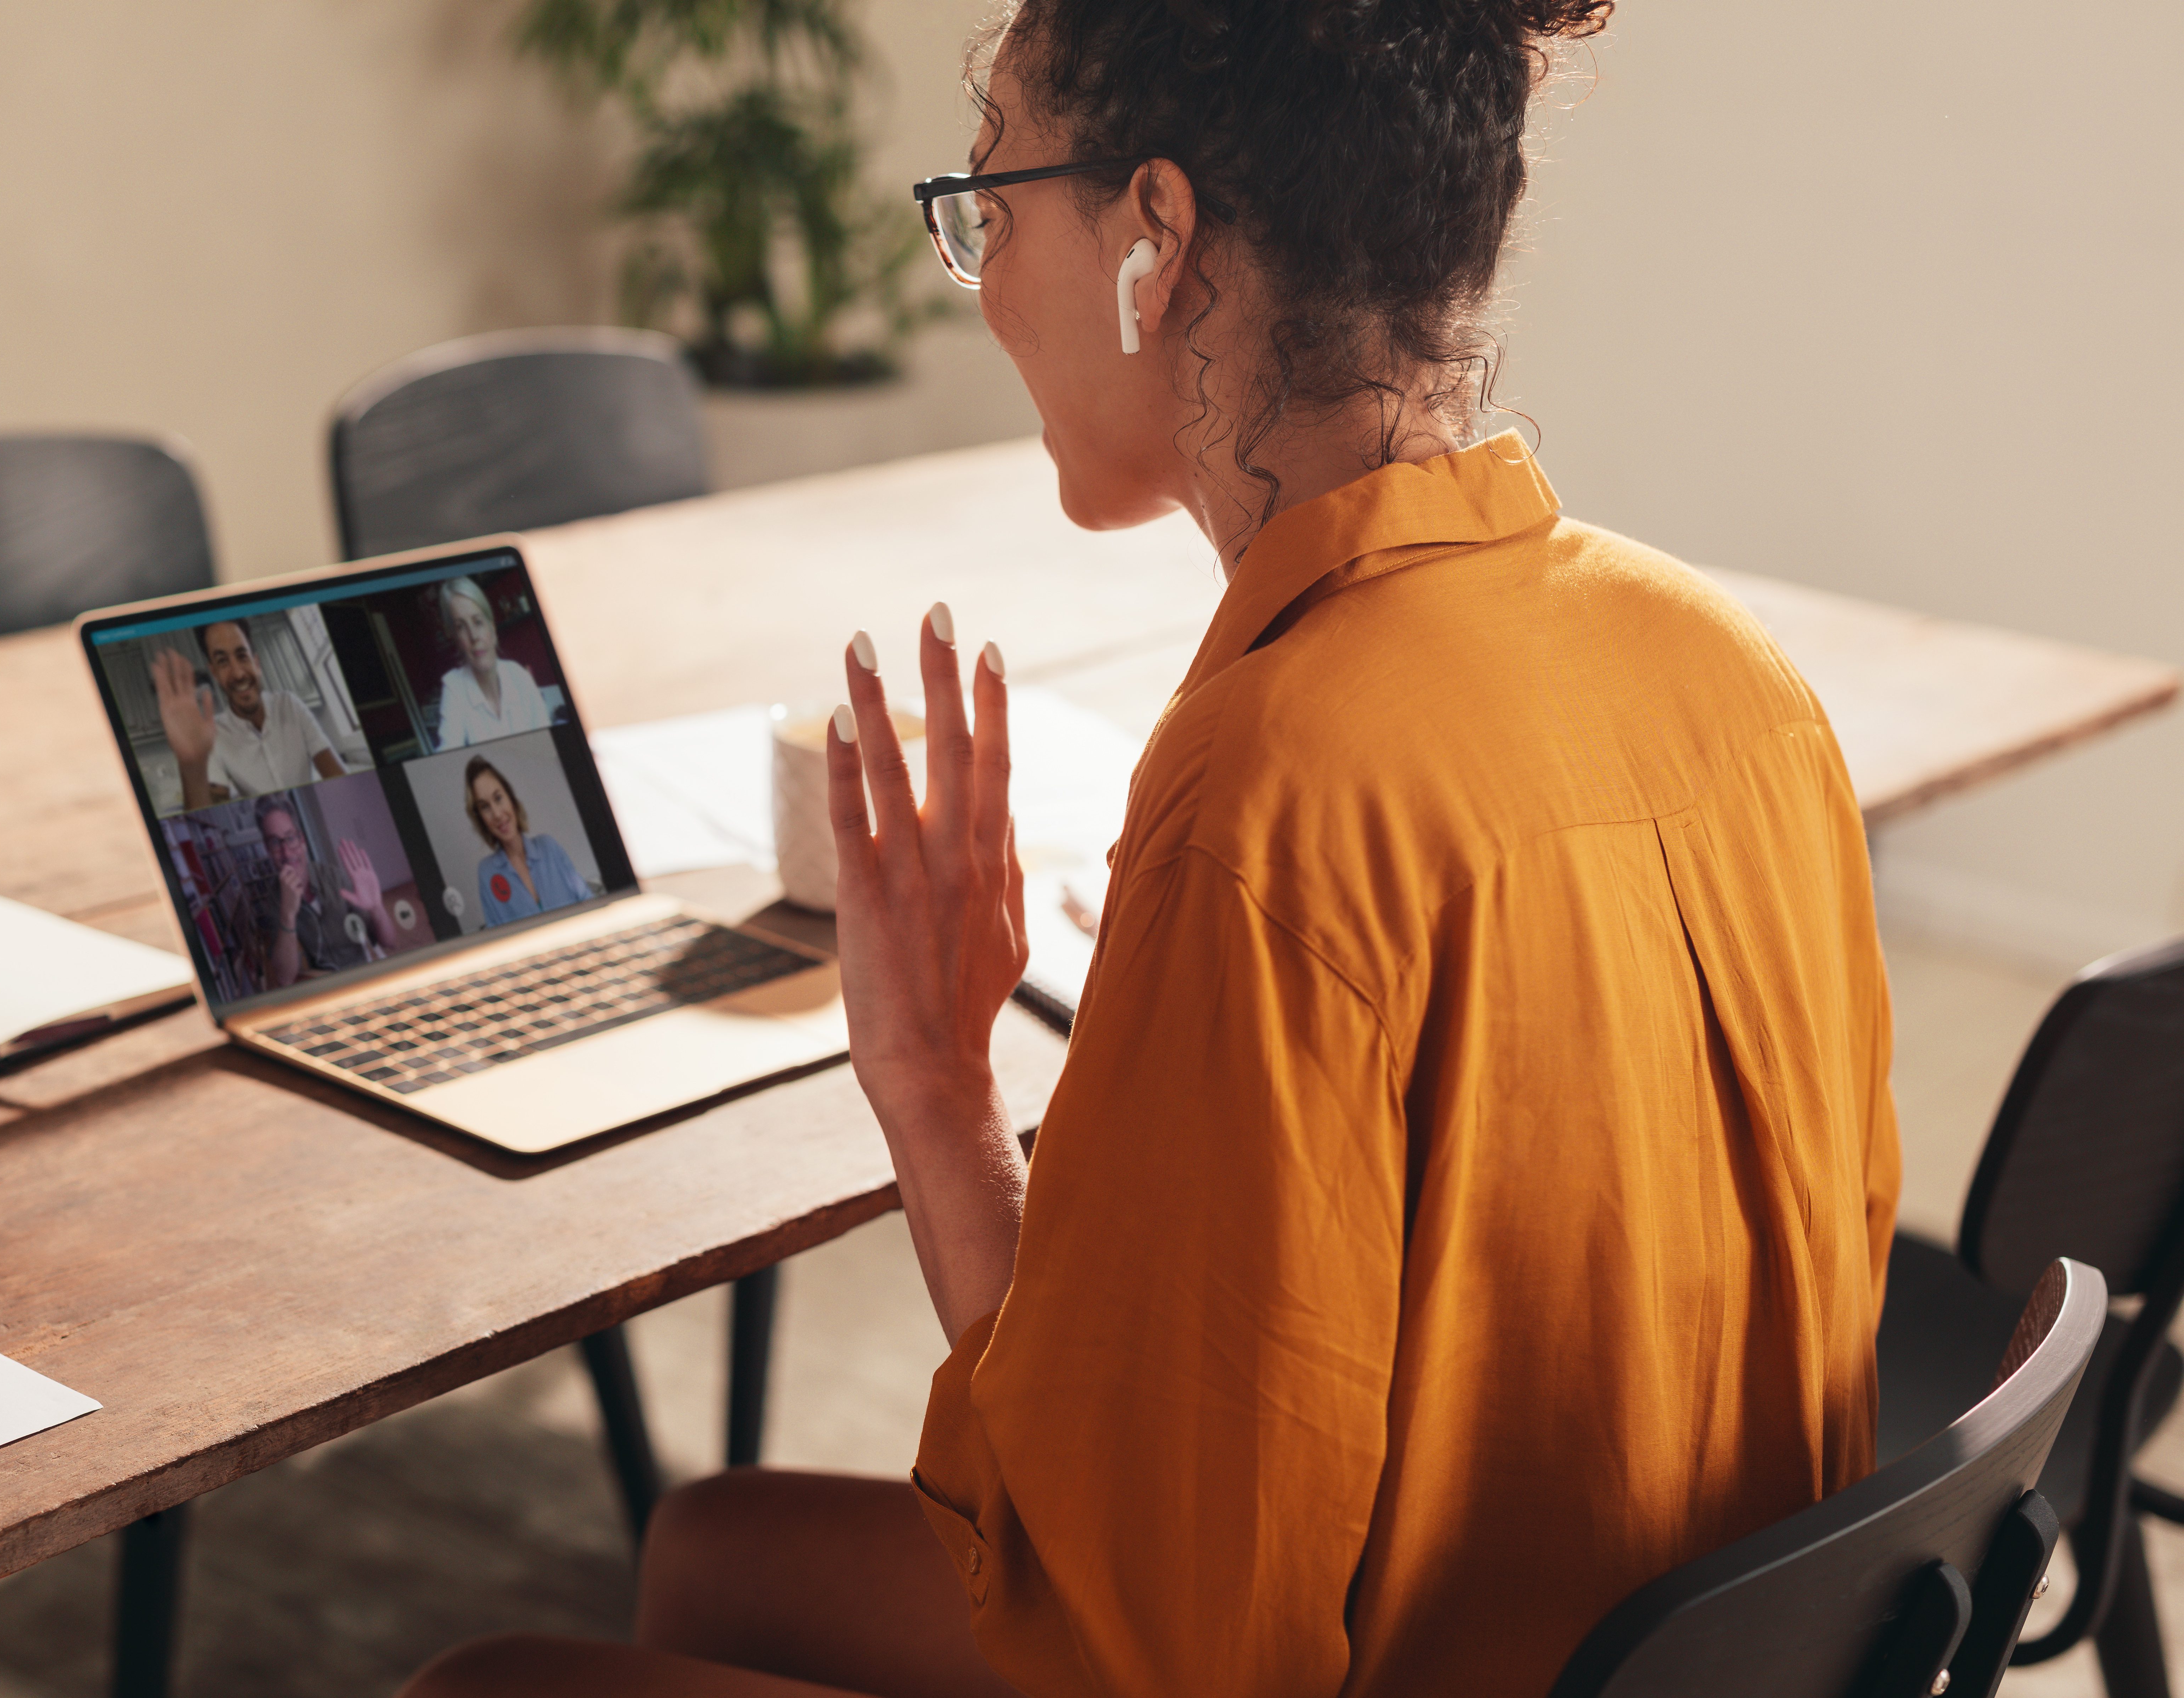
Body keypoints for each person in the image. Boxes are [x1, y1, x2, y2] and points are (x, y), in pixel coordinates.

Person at [403, 1, 1896, 1697]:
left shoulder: (1275, 784)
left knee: (482, 1683)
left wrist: (932, 1088)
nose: (975, 287)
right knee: (711, 1548)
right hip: (1660, 1644)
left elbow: (1158, 1638)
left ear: (1153, 238)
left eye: (992, 207)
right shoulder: (1727, 672)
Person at [151, 617, 345, 811]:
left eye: (242, 656)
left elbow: (340, 780)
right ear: (215, 673)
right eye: (223, 661)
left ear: (257, 663)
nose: (238, 674)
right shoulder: (212, 735)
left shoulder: (290, 705)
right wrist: (192, 764)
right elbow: (211, 816)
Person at [249, 797, 387, 988]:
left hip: (363, 976)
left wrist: (377, 907)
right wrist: (288, 916)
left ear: (303, 840)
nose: (287, 853)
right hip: (326, 987)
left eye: (291, 838)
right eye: (275, 843)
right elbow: (285, 978)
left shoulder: (334, 877)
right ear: (267, 849)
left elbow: (388, 941)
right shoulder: (274, 897)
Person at [464, 756, 590, 926]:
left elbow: (587, 901)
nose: (497, 814)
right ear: (481, 819)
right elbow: (498, 939)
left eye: (499, 798)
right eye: (485, 807)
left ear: (511, 799)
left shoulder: (548, 847)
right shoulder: (487, 873)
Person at [431, 577, 553, 749]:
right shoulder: (454, 687)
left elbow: (549, 745)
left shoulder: (520, 676)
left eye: (478, 622)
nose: (474, 636)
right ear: (456, 639)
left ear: (492, 627)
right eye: (461, 627)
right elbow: (448, 755)